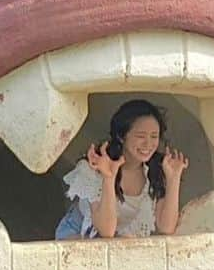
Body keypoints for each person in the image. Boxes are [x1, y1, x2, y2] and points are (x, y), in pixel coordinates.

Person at [54, 99, 188, 239]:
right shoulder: (96, 166)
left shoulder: (155, 170)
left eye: (154, 136)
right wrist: (108, 178)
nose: (148, 144)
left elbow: (166, 227)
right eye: (140, 136)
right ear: (121, 136)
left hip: (119, 241)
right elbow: (106, 231)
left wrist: (174, 179)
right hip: (79, 234)